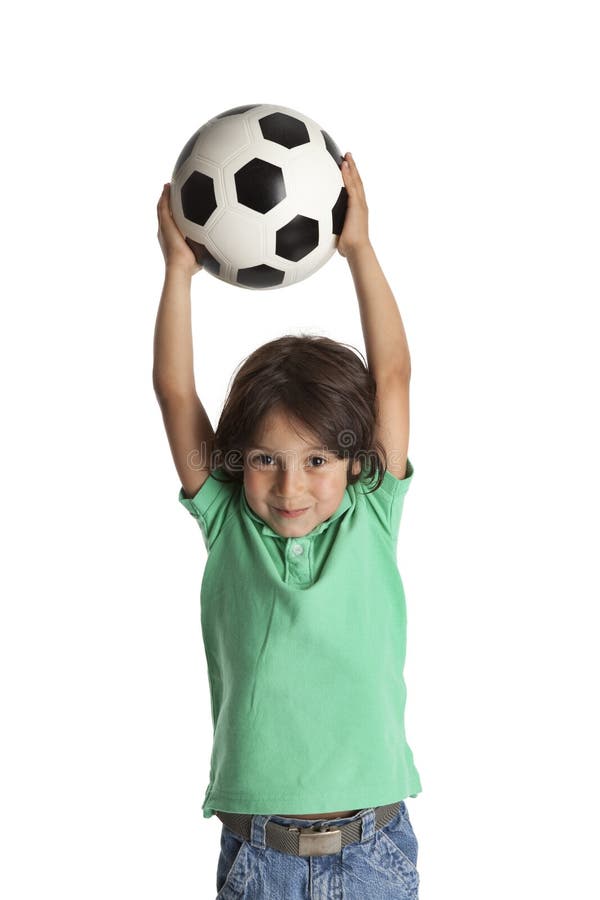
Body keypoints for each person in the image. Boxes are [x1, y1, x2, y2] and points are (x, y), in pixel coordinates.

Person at [154, 152, 422, 899]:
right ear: (237, 461)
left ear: (354, 461)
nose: (290, 486)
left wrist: (358, 249)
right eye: (266, 460)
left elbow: (393, 375)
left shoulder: (371, 511)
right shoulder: (228, 521)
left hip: (372, 853)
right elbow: (176, 393)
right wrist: (178, 274)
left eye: (317, 462)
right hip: (259, 858)